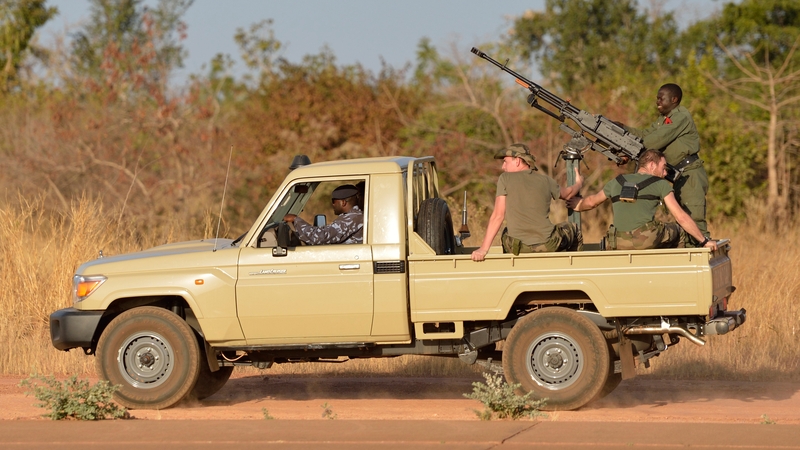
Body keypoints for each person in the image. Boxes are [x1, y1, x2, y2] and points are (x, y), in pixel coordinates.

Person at [567, 149, 717, 251]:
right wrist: (704, 241)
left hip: (617, 242)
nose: (665, 173)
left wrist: (577, 205)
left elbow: (592, 202)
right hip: (645, 239)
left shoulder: (616, 181)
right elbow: (681, 217)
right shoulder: (660, 184)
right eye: (663, 168)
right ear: (652, 165)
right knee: (680, 231)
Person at [617, 83, 709, 245]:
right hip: (677, 175)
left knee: (694, 220)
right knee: (682, 221)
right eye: (657, 98)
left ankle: (700, 259)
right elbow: (645, 134)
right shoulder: (663, 120)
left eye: (661, 98)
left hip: (690, 175)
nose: (657, 101)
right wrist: (621, 129)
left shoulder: (681, 117)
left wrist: (628, 147)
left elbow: (654, 141)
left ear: (674, 99)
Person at [471, 143, 583, 262]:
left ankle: (512, 266)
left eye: (506, 162)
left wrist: (483, 249)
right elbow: (568, 194)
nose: (503, 167)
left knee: (506, 232)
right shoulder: (545, 180)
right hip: (548, 244)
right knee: (574, 230)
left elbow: (498, 216)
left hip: (518, 248)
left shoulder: (505, 178)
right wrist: (579, 183)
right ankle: (572, 268)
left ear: (518, 161)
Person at [283, 184, 364, 245]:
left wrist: (296, 220)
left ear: (343, 202)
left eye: (334, 201)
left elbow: (319, 237)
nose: (333, 204)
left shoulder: (352, 218)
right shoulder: (355, 216)